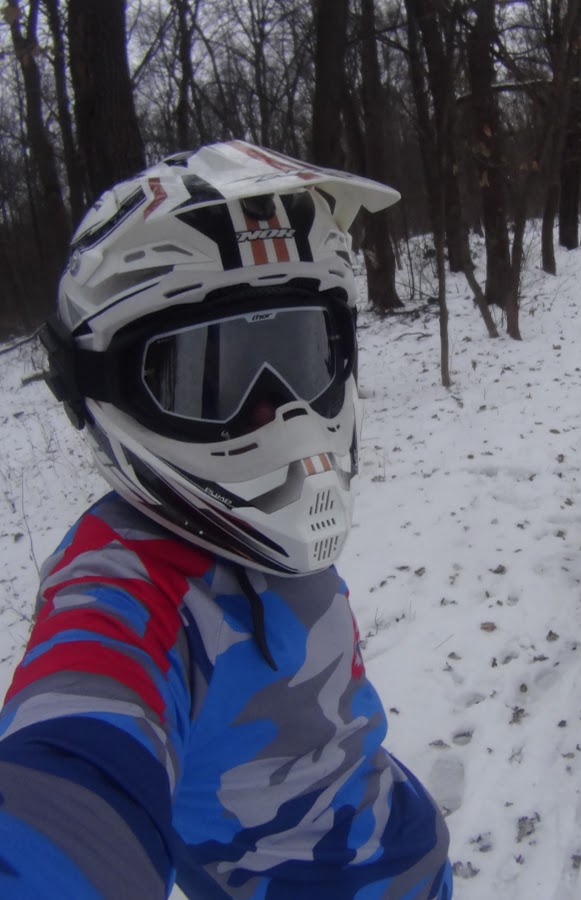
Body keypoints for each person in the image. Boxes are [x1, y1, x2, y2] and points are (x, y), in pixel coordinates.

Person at [0, 141, 453, 900]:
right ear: (104, 387)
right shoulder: (128, 586)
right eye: (213, 371)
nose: (279, 414)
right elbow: (75, 763)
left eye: (299, 353)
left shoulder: (254, 530)